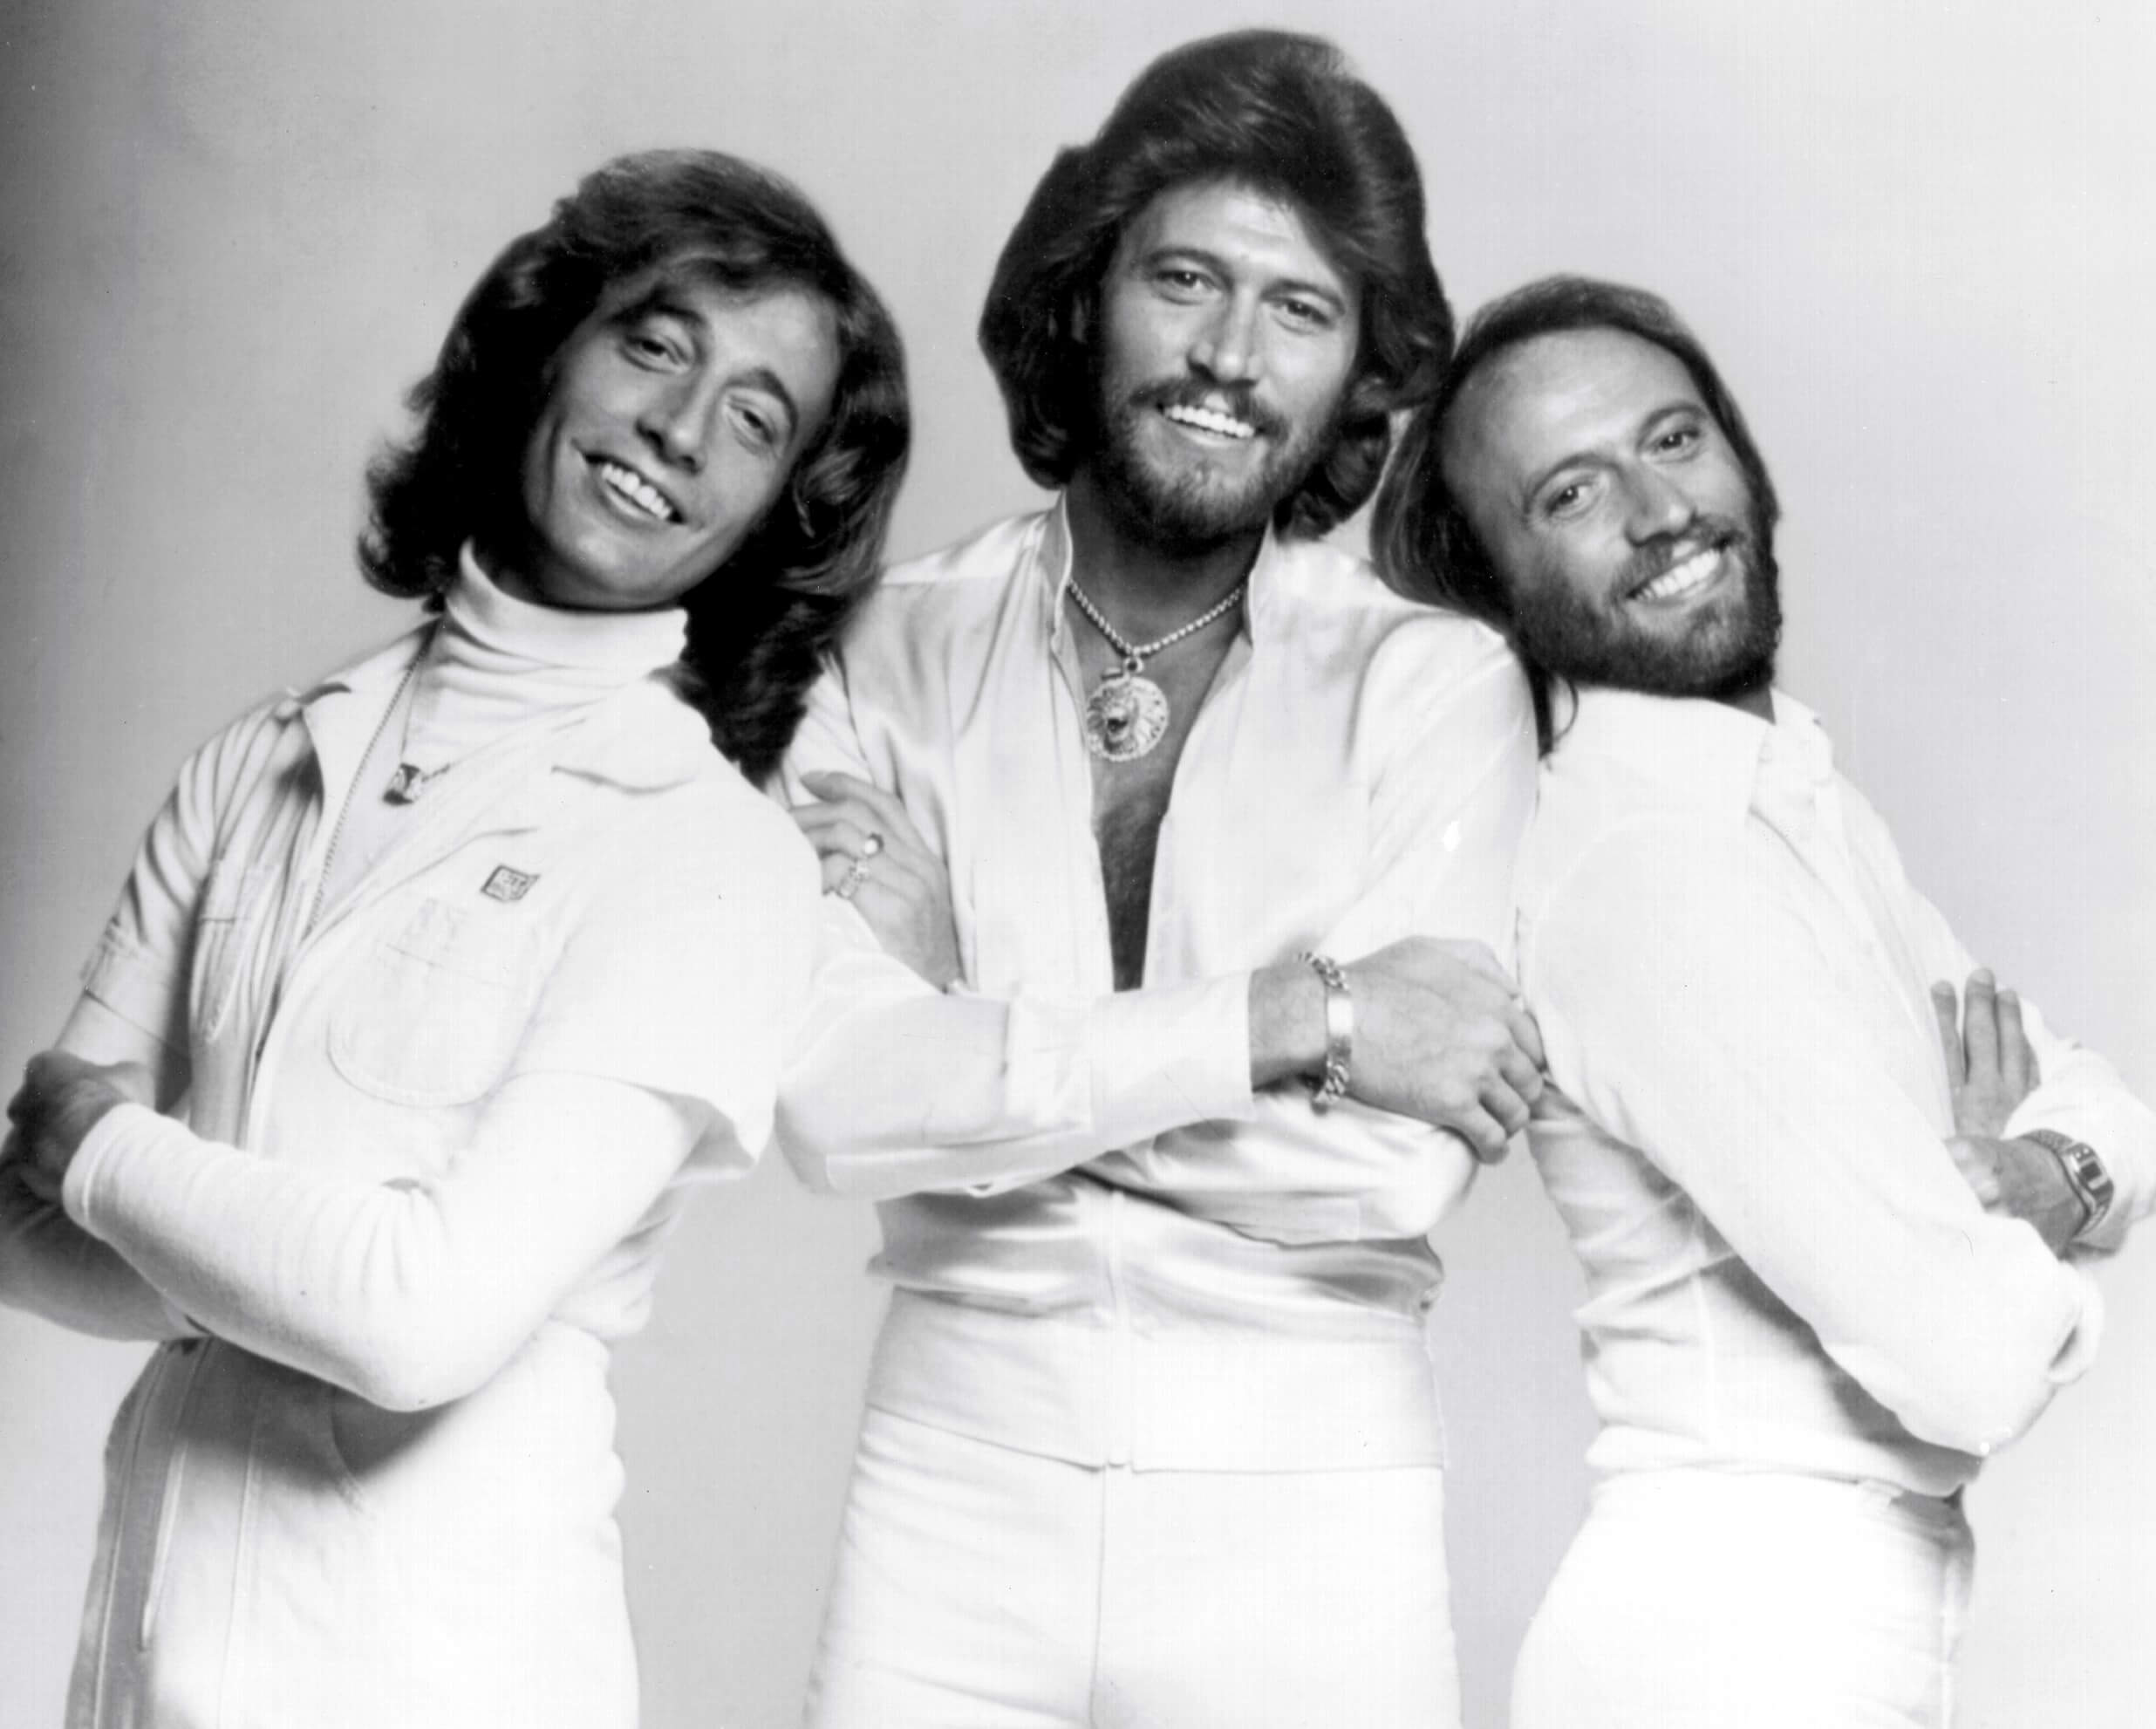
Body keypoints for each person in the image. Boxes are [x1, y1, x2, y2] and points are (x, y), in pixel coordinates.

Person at [0, 149, 908, 1729]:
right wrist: (261, 1262)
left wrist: (111, 1159)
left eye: (755, 420)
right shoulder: (268, 759)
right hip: (146, 1657)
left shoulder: (710, 854)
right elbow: (19, 1232)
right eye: (655, 344)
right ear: (546, 347)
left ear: (781, 511)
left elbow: (419, 1319)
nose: (679, 429)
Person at [779, 31, 1541, 1729]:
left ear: (1359, 370)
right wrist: (1302, 1017)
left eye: (1299, 309)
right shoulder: (877, 653)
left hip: (1315, 1514)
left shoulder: (1437, 686)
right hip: (949, 1505)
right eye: (1185, 279)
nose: (1227, 357)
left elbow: (1385, 1176)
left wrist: (969, 1022)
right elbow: (832, 1108)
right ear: (1085, 292)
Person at [1373, 274, 2156, 1727]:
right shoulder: (1647, 868)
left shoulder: (1784, 797)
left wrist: (2046, 1168)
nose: (1659, 511)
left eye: (1674, 439)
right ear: (1499, 596)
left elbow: (2112, 1106)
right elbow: (1967, 1359)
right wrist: (2022, 1218)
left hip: (1813, 1618)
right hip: (1734, 1640)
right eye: (1569, 494)